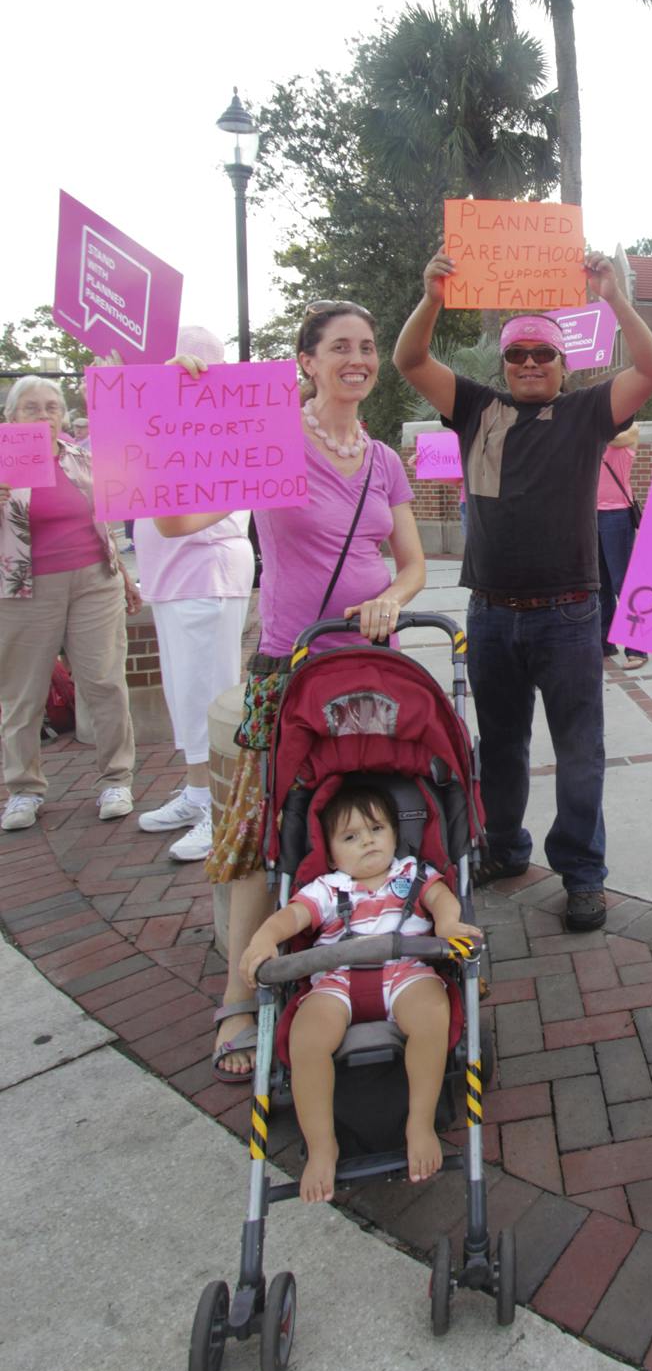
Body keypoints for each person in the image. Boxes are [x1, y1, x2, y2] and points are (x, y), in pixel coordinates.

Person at [155, 300, 426, 1080]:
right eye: (340, 346)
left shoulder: (383, 461)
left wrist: (394, 599)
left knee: (377, 816)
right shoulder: (268, 437)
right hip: (291, 665)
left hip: (374, 666)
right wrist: (181, 405)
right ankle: (239, 997)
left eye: (368, 346)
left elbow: (408, 562)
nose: (359, 358)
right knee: (262, 831)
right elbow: (177, 522)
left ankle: (376, 959)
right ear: (305, 360)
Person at [394, 250, 652, 932]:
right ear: (505, 364)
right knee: (502, 746)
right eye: (517, 354)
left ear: (562, 362)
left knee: (580, 750)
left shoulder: (585, 414)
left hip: (570, 617)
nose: (529, 363)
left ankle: (582, 873)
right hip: (491, 614)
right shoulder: (477, 411)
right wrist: (431, 297)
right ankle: (506, 847)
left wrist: (615, 298)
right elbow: (408, 361)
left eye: (543, 352)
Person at [240, 781, 480, 1198]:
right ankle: (322, 1146)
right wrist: (263, 938)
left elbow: (442, 898)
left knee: (431, 1014)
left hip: (405, 970)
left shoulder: (412, 873)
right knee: (307, 1037)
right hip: (336, 979)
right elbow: (290, 918)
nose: (367, 841)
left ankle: (419, 1124)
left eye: (377, 830)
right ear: (331, 853)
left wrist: (445, 924)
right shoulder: (328, 889)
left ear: (395, 835)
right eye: (351, 837)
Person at [128, 329, 254, 862]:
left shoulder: (222, 424)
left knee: (210, 694)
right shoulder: (167, 424)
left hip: (206, 574)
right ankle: (199, 791)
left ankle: (220, 806)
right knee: (186, 693)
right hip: (173, 579)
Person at [0, 376, 139, 831]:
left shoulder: (83, 459)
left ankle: (116, 778)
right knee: (23, 693)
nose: (43, 416)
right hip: (24, 589)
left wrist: (123, 575)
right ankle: (23, 788)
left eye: (52, 408)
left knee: (104, 682)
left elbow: (105, 523)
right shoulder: (2, 464)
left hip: (93, 582)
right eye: (32, 408)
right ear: (12, 416)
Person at [598, 422, 647, 670]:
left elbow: (615, 439)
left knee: (624, 583)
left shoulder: (631, 429)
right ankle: (604, 641)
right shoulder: (592, 427)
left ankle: (637, 648)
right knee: (599, 584)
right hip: (588, 514)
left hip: (616, 515)